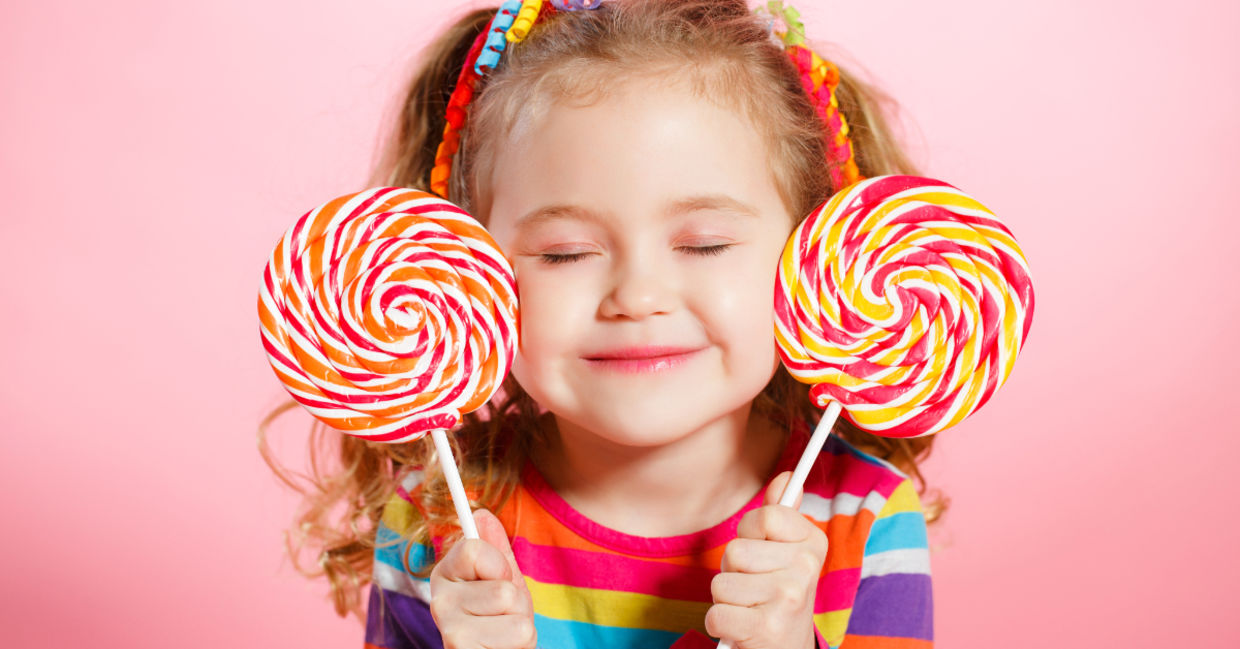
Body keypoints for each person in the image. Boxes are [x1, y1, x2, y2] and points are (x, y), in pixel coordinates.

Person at [262, 1, 947, 647]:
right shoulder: (437, 523)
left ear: (812, 250)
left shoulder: (863, 520)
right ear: (465, 264)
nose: (637, 296)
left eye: (704, 243)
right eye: (565, 252)